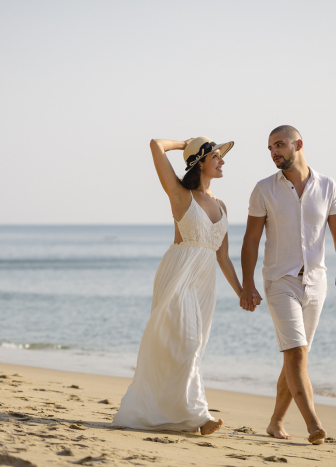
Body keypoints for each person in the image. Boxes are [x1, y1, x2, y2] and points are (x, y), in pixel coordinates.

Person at [113, 137, 243, 435]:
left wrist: (241, 291)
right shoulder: (181, 195)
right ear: (200, 161)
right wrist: (186, 144)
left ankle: (174, 414)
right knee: (188, 342)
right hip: (179, 274)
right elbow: (155, 145)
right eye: (217, 156)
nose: (222, 161)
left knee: (191, 346)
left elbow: (223, 256)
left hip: (205, 281)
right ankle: (200, 415)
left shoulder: (221, 206)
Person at [240, 125, 336, 445]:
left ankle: (276, 422)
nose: (274, 152)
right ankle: (314, 423)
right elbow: (251, 240)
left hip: (316, 283)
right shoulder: (264, 189)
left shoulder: (328, 186)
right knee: (297, 354)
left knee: (295, 357)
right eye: (270, 148)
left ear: (298, 144)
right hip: (279, 281)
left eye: (279, 145)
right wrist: (247, 284)